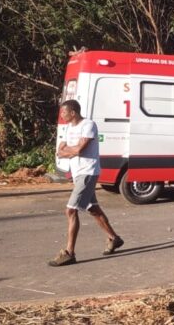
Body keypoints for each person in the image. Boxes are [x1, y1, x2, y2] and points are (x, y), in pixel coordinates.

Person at [49, 100, 123, 266]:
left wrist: (68, 151)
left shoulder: (88, 125)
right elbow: (60, 149)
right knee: (93, 208)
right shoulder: (69, 128)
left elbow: (78, 149)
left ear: (73, 112)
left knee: (70, 210)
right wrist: (68, 151)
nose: (62, 115)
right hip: (77, 173)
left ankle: (69, 253)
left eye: (64, 112)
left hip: (88, 172)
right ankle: (114, 238)